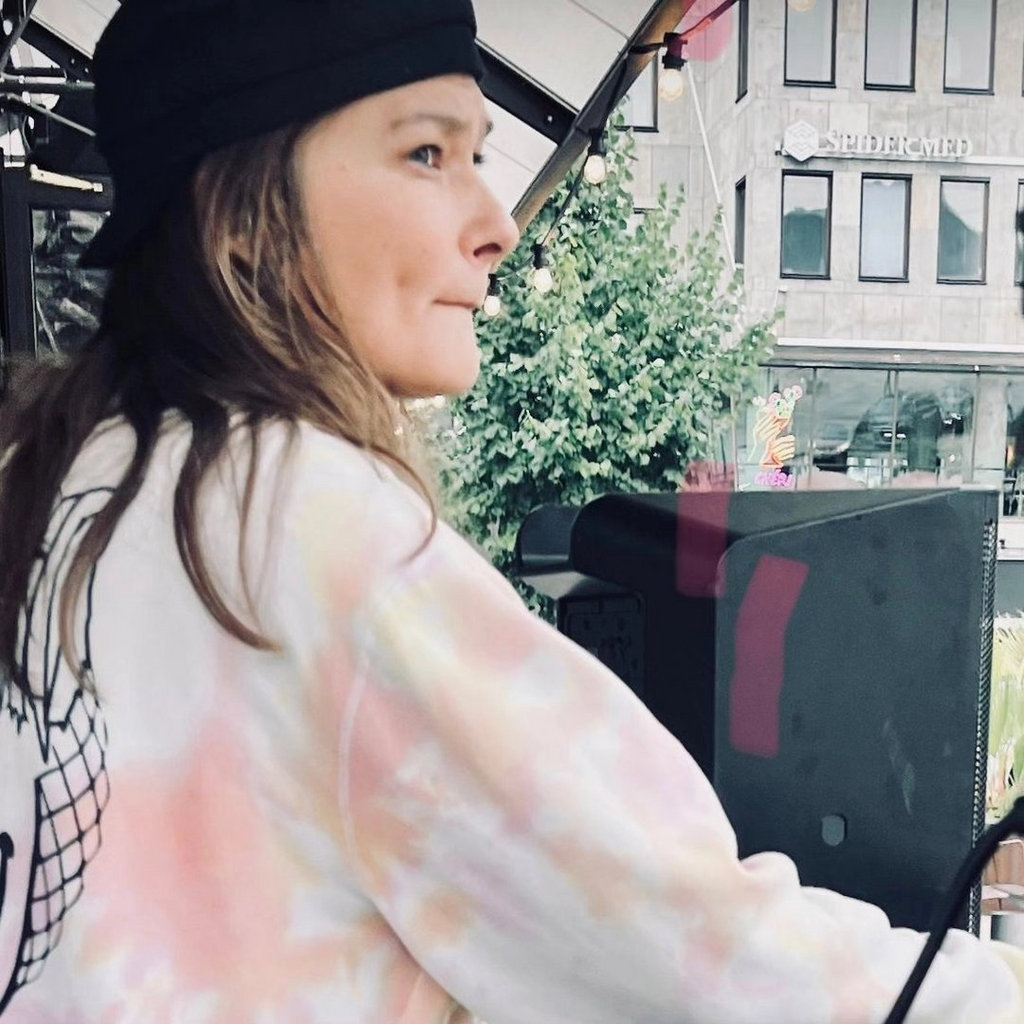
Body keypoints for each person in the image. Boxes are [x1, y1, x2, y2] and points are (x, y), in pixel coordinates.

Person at [0, 1, 1021, 1021]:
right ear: (241, 212)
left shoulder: (56, 487)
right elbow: (698, 959)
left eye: (477, 155)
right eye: (427, 153)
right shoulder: (308, 524)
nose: (496, 224)